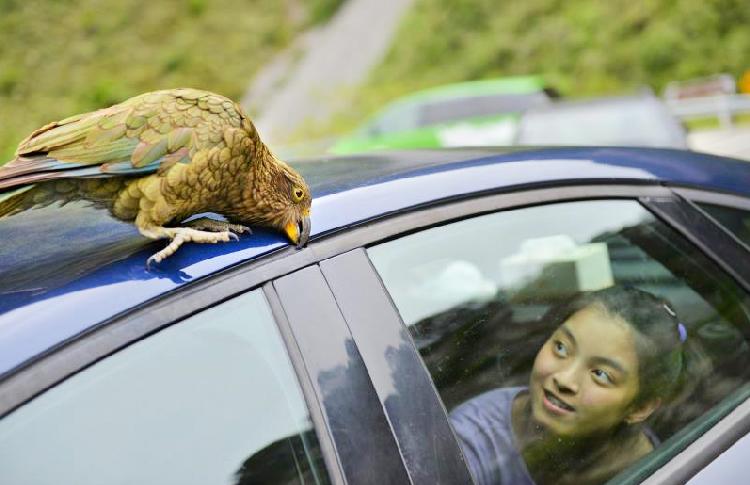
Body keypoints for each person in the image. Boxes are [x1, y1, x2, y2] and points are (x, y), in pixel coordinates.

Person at [450, 286, 687, 485]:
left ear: (640, 408)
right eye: (561, 348)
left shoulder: (654, 468)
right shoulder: (471, 442)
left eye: (601, 375)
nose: (564, 380)